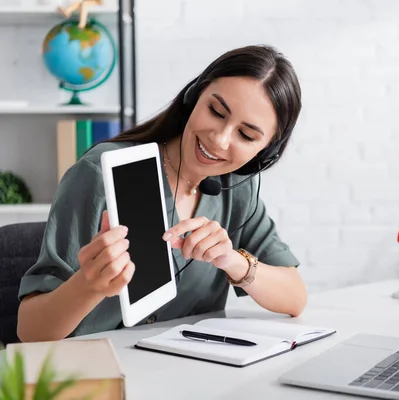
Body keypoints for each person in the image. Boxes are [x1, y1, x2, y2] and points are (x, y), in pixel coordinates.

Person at [17, 44, 307, 342]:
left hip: (185, 373)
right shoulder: (101, 173)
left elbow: (295, 297)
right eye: (216, 111)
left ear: (265, 152)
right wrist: (89, 286)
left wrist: (231, 259)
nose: (219, 140)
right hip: (100, 373)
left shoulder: (236, 188)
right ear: (194, 97)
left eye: (246, 135)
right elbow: (30, 331)